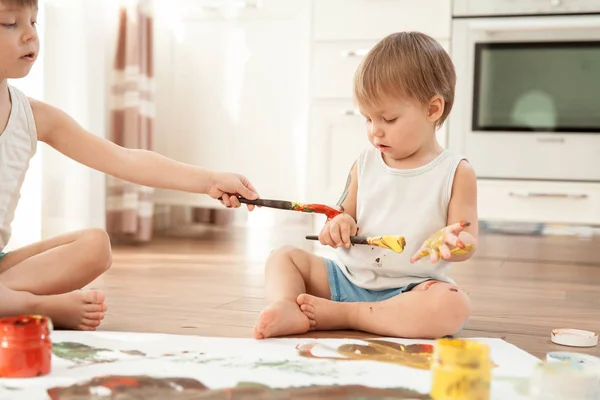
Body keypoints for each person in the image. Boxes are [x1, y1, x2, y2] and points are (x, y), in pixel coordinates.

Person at [0, 0, 259, 330]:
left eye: (34, 22)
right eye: (10, 24)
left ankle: (10, 303)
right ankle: (34, 306)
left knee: (95, 245)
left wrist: (209, 181)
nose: (29, 36)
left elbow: (123, 159)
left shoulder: (35, 116)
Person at [253, 31, 477, 340]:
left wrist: (455, 242)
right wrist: (339, 225)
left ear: (432, 109)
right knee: (283, 256)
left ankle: (345, 315)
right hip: (346, 279)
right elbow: (341, 215)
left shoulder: (456, 172)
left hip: (409, 291)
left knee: (452, 305)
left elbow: (467, 241)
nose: (375, 132)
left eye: (387, 119)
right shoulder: (365, 162)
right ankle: (288, 307)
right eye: (368, 119)